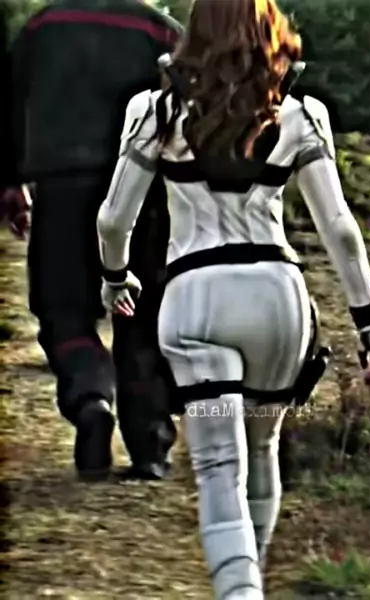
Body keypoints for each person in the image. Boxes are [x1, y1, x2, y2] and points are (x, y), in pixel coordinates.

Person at [97, 0, 370, 596]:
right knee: (263, 449)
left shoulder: (154, 112)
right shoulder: (303, 114)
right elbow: (341, 231)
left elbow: (112, 220)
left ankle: (240, 590)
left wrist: (115, 277)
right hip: (279, 307)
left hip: (197, 303)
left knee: (217, 468)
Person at [2, 0, 182, 481]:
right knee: (143, 314)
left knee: (64, 310)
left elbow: (9, 104)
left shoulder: (44, 26)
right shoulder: (161, 32)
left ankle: (90, 398)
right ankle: (149, 446)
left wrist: (11, 179)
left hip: (62, 187)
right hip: (143, 193)